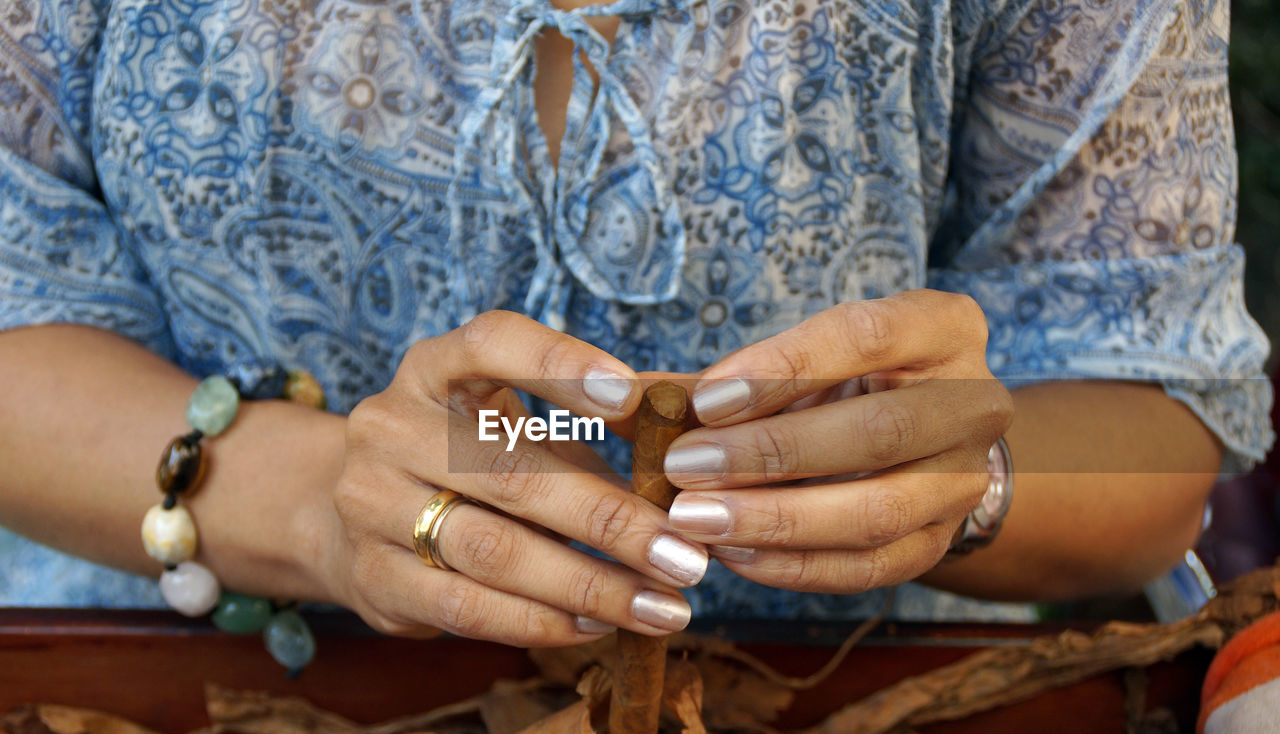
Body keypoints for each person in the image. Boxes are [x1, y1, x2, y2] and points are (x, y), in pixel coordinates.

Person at [0, 0, 1269, 647]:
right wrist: (309, 501)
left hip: (833, 730)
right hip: (189, 701)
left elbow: (1150, 417)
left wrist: (965, 485)